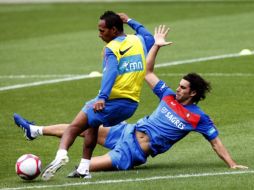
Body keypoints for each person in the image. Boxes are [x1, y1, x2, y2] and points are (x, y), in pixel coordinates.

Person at [14, 25, 248, 177]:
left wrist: (231, 163)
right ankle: (35, 130)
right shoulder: (167, 95)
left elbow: (215, 142)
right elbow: (147, 72)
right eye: (179, 84)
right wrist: (155, 46)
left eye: (183, 87)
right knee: (81, 127)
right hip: (126, 131)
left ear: (193, 93)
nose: (178, 88)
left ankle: (45, 169)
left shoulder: (198, 117)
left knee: (83, 168)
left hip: (133, 151)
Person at [14, 11, 154, 180]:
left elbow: (110, 73)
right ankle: (83, 169)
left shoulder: (111, 48)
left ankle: (60, 155)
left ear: (114, 30)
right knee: (91, 127)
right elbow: (149, 37)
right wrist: (130, 20)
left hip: (111, 101)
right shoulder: (138, 40)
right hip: (131, 104)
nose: (99, 34)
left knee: (74, 128)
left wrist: (102, 97)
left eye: (102, 31)